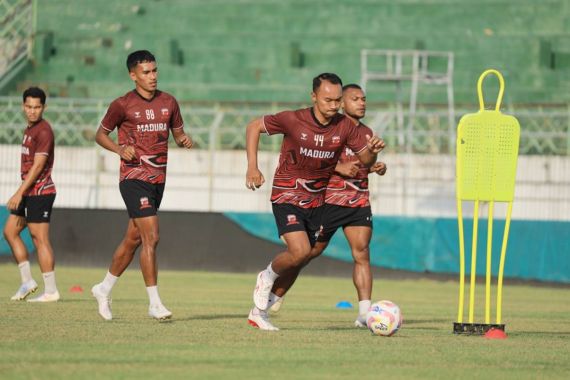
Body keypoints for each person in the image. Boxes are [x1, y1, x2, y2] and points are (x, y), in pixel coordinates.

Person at [245, 73, 385, 331]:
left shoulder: (346, 126)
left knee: (304, 256)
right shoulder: (292, 119)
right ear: (313, 97)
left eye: (336, 101)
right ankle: (267, 276)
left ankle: (258, 313)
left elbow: (366, 162)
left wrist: (373, 151)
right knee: (299, 251)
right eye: (327, 100)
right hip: (287, 194)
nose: (333, 106)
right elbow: (254, 126)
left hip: (317, 202)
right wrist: (252, 167)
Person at [91, 50, 193, 321]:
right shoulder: (122, 104)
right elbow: (100, 134)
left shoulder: (169, 102)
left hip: (158, 180)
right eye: (146, 72)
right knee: (152, 237)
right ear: (132, 75)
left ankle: (103, 288)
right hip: (133, 178)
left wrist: (183, 140)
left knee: (133, 239)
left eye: (155, 70)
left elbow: (178, 132)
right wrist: (118, 149)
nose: (152, 76)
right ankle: (154, 303)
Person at [3, 87, 60, 302]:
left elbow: (37, 167)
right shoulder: (29, 129)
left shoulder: (44, 131)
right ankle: (27, 281)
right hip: (29, 192)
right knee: (10, 232)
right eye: (29, 106)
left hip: (40, 192)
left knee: (40, 239)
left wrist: (18, 193)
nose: (32, 111)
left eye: (37, 107)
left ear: (44, 108)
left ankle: (51, 290)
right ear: (23, 106)